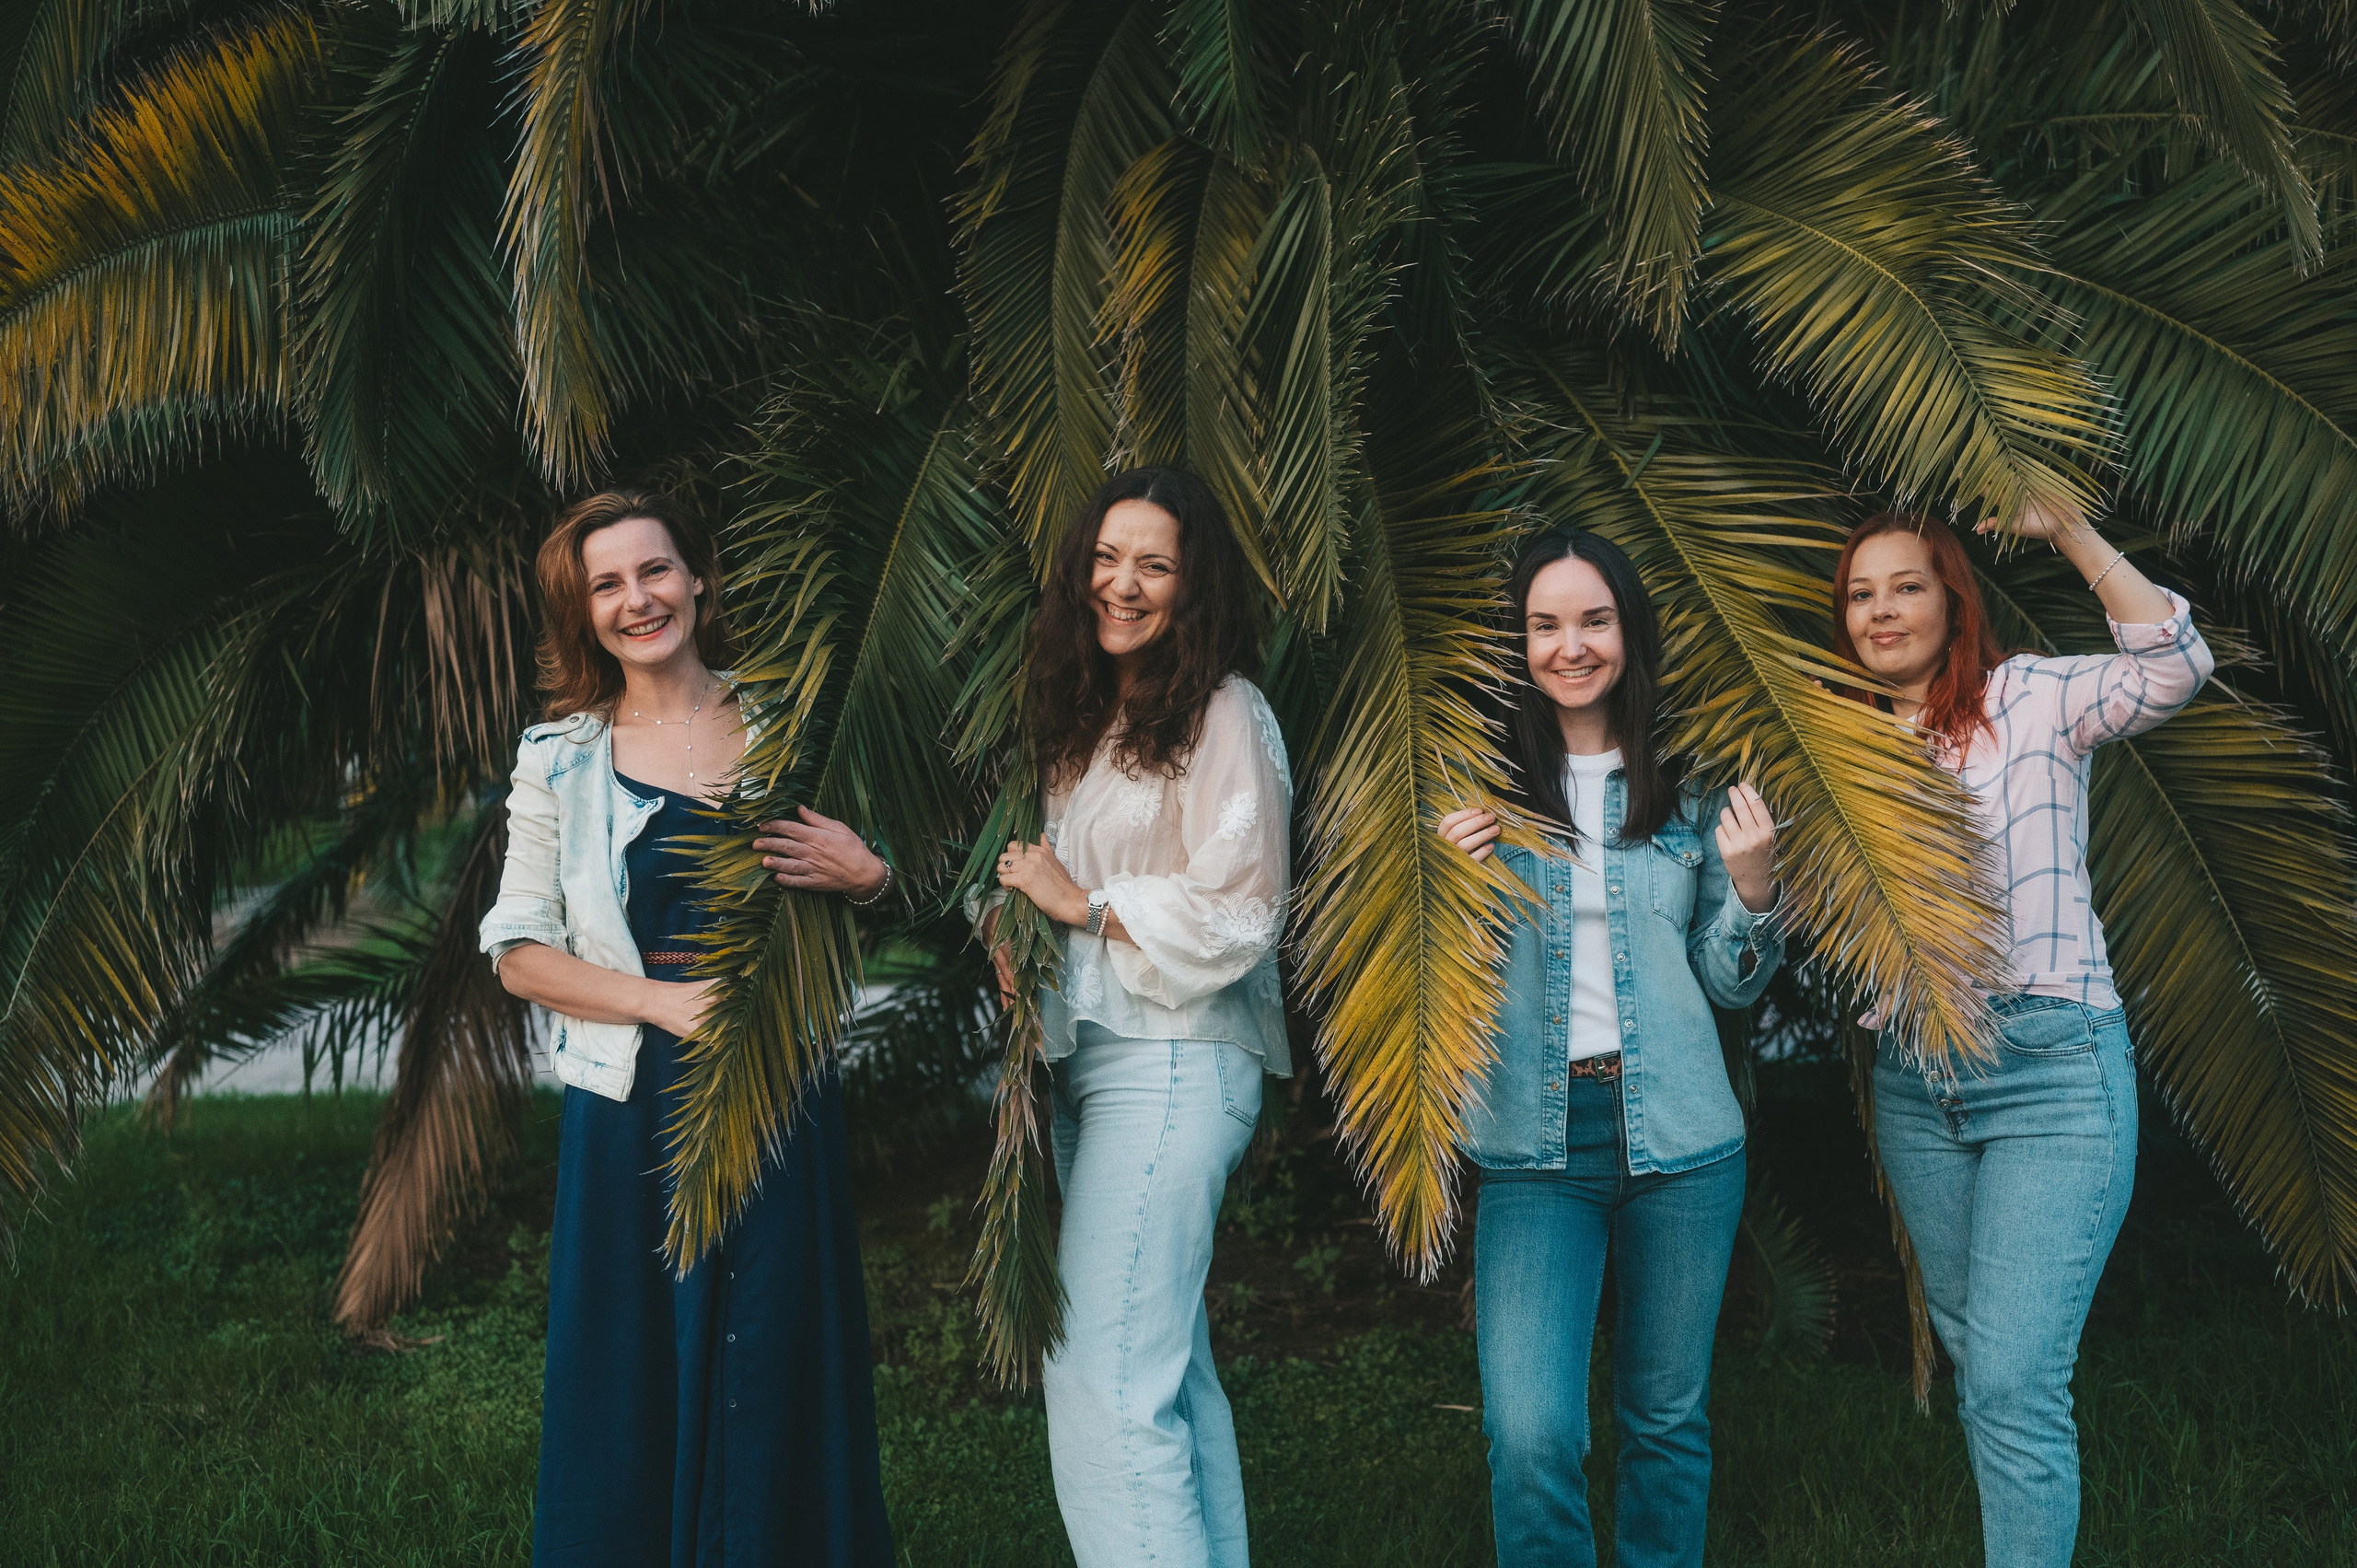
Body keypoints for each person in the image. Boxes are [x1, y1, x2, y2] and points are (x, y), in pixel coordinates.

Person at [479, 488, 896, 1567]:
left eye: (653, 571)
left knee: (775, 1343)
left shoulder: (790, 718)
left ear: (698, 577)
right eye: (606, 584)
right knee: (629, 1363)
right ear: (583, 612)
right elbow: (520, 952)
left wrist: (870, 876)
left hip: (777, 1082)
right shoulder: (560, 758)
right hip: (631, 1097)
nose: (636, 599)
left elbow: (905, 894)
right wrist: (668, 1005)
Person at [1833, 501, 2212, 1568]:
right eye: (1860, 595)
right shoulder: (1842, 750)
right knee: (1980, 1359)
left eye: (1904, 585)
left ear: (1954, 597)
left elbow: (2174, 666)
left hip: (2049, 1060)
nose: (1881, 610)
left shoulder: (2029, 695)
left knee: (2012, 1375)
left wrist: (2072, 536)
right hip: (1917, 1078)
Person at [1434, 528, 1783, 1568]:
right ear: (1517, 639)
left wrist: (1757, 887)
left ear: (1629, 629)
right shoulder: (1473, 783)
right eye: (1543, 624)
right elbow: (1430, 982)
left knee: (1665, 1422)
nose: (1569, 645)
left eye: (1592, 619)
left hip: (1683, 1136)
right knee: (1531, 1431)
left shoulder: (1694, 785)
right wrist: (1444, 884)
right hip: (1535, 1147)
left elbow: (1730, 980)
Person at [985, 465, 1290, 1568]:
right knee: (1165, 1365)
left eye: (1153, 563)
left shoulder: (1223, 712)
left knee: (1104, 1375)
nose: (1122, 582)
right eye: (1107, 558)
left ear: (1192, 584)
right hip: (1094, 1061)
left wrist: (1085, 903)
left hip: (1173, 1062)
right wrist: (1019, 927)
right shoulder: (1079, 716)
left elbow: (1245, 907)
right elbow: (1039, 877)